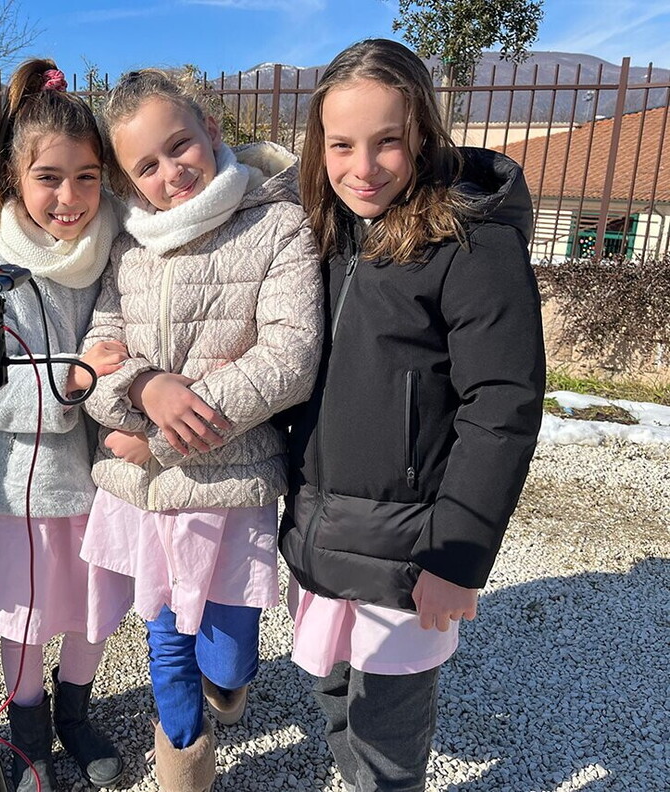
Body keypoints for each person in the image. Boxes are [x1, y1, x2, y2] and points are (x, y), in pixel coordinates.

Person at [279, 38, 546, 792]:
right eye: (342, 144)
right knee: (335, 693)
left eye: (387, 141)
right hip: (320, 526)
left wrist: (456, 559)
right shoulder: (321, 232)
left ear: (423, 133)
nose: (363, 167)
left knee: (388, 732)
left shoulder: (472, 245)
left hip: (408, 543)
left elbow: (502, 407)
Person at [79, 69, 322, 792]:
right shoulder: (127, 246)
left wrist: (158, 437)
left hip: (230, 485)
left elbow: (289, 359)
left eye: (179, 146)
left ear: (211, 131)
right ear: (127, 181)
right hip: (150, 494)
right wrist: (141, 386)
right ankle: (184, 763)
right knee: (164, 636)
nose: (170, 173)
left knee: (226, 647)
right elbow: (97, 355)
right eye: (145, 166)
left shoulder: (276, 224)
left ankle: (232, 683)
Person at [0, 59, 132, 792]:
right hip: (21, 484)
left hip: (108, 472)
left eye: (87, 177)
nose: (70, 197)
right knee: (24, 611)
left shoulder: (119, 246)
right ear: (13, 178)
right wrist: (72, 381)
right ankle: (26, 730)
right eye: (49, 178)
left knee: (95, 602)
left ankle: (75, 713)